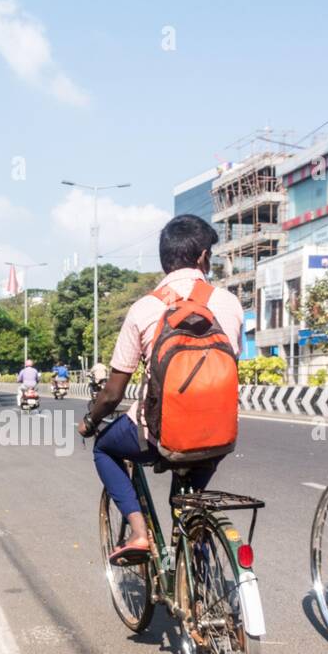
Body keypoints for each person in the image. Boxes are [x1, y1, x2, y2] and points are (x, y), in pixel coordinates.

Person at [77, 214, 242, 565]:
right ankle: (194, 559)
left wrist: (90, 422)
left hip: (159, 435)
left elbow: (112, 394)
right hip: (218, 436)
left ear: (164, 259)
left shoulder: (145, 308)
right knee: (188, 502)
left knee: (104, 450)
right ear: (201, 257)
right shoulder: (229, 304)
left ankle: (139, 533)